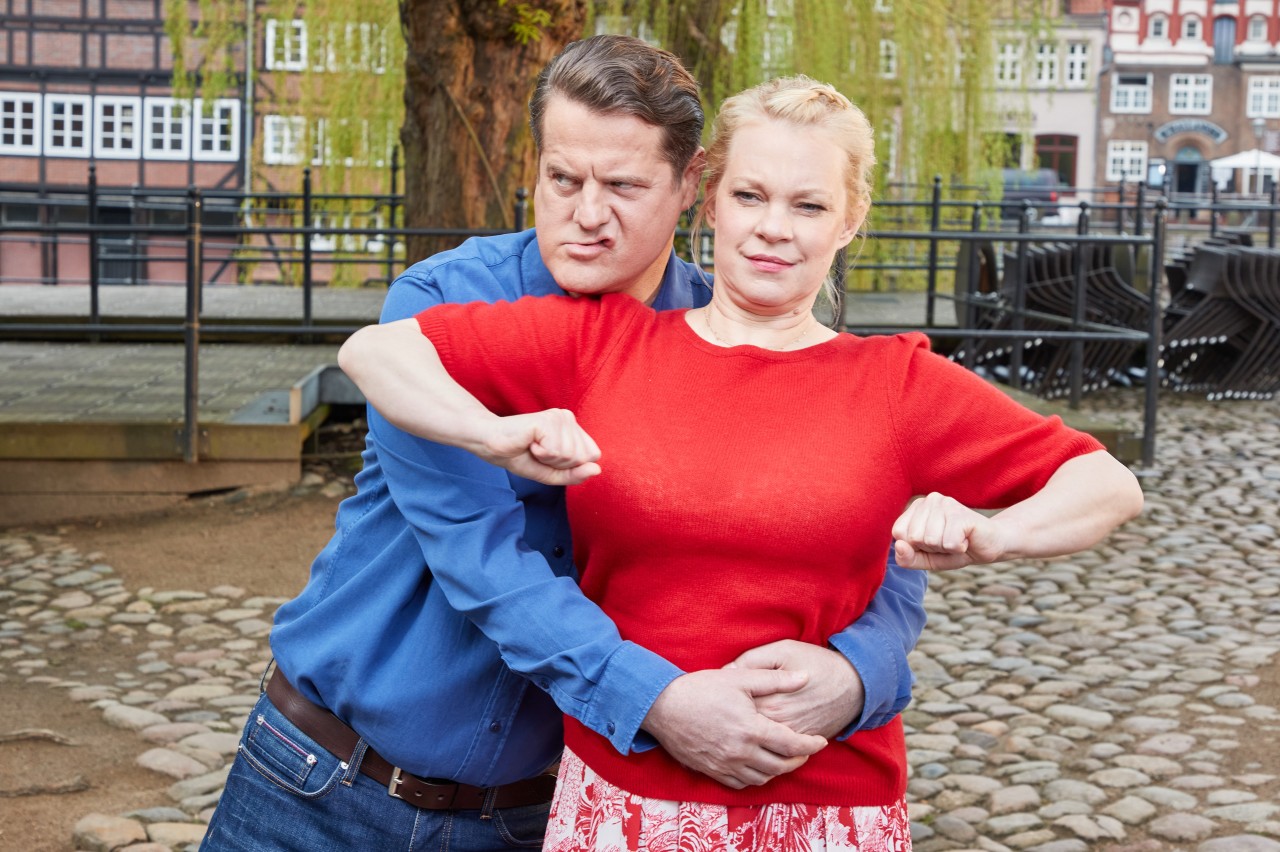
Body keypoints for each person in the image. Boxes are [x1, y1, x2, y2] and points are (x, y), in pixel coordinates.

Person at [337, 75, 1145, 850]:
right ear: (709, 198)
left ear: (849, 220)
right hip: (624, 802)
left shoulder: (900, 384)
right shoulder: (601, 344)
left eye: (809, 205)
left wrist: (992, 535)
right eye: (751, 196)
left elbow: (1107, 484)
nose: (773, 228)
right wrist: (488, 433)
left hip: (828, 809)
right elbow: (375, 352)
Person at [200, 37, 929, 852]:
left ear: (693, 187)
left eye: (622, 185)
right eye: (562, 179)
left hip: (536, 817)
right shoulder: (445, 301)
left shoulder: (744, 341)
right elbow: (481, 556)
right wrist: (656, 701)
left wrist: (862, 671)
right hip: (322, 785)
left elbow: (871, 541)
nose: (587, 214)